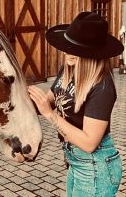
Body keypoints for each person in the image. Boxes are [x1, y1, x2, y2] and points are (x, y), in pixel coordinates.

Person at [28, 11, 124, 196]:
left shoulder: (102, 86)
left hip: (95, 167)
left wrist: (50, 114)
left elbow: (89, 143)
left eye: (73, 48)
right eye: (67, 46)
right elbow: (49, 100)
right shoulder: (68, 69)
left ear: (91, 53)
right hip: (76, 162)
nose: (66, 51)